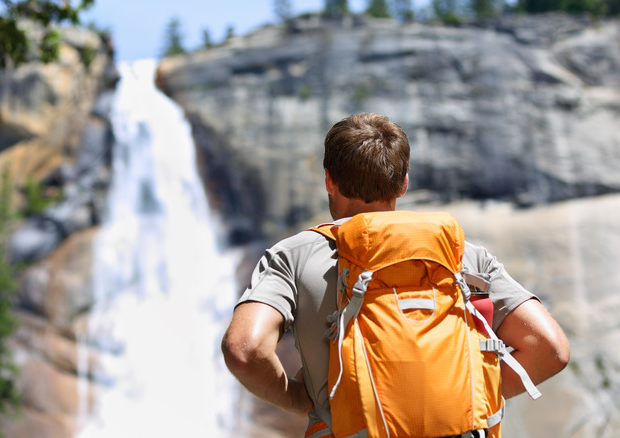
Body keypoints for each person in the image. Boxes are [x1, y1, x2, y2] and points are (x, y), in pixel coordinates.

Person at [221, 113, 570, 435]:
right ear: (403, 184)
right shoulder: (461, 254)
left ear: (329, 179)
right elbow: (550, 349)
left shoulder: (293, 256)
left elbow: (244, 348)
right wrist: (471, 397)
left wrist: (299, 399)